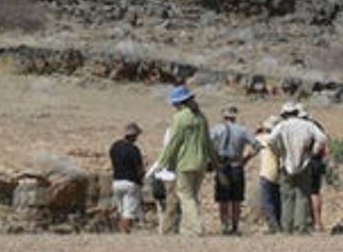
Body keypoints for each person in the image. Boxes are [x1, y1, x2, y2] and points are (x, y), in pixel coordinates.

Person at [151, 85, 217, 236]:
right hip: (201, 163)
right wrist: (214, 161)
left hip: (185, 163)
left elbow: (174, 142)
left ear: (179, 103)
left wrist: (162, 163)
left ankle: (196, 228)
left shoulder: (180, 118)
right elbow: (208, 142)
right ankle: (187, 229)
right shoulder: (201, 117)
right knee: (192, 197)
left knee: (185, 197)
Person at [266, 102, 328, 233]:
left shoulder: (282, 126)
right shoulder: (308, 125)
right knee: (302, 196)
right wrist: (313, 152)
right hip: (304, 164)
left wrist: (278, 152)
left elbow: (270, 140)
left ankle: (287, 227)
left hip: (286, 164)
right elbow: (322, 138)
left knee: (287, 197)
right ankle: (300, 227)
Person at [210, 106, 261, 235]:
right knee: (236, 199)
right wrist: (247, 158)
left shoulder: (216, 129)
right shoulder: (242, 130)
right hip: (237, 165)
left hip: (221, 165)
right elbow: (257, 145)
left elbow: (208, 145)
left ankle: (224, 225)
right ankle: (235, 226)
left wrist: (213, 160)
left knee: (223, 199)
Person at [109, 122, 145, 233]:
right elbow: (139, 168)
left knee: (121, 210)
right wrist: (141, 178)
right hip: (130, 183)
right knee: (129, 212)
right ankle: (125, 233)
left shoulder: (115, 146)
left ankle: (119, 231)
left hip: (116, 181)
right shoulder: (133, 150)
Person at [301, 109, 330, 232]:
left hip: (306, 161)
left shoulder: (302, 128)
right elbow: (325, 146)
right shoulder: (317, 126)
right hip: (317, 162)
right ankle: (317, 222)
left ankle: (305, 221)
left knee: (303, 193)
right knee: (315, 193)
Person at [255, 116, 283, 233]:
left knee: (266, 200)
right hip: (278, 172)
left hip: (266, 172)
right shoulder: (279, 140)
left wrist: (260, 129)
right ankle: (279, 223)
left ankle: (273, 226)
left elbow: (254, 138)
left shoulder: (264, 138)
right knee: (276, 199)